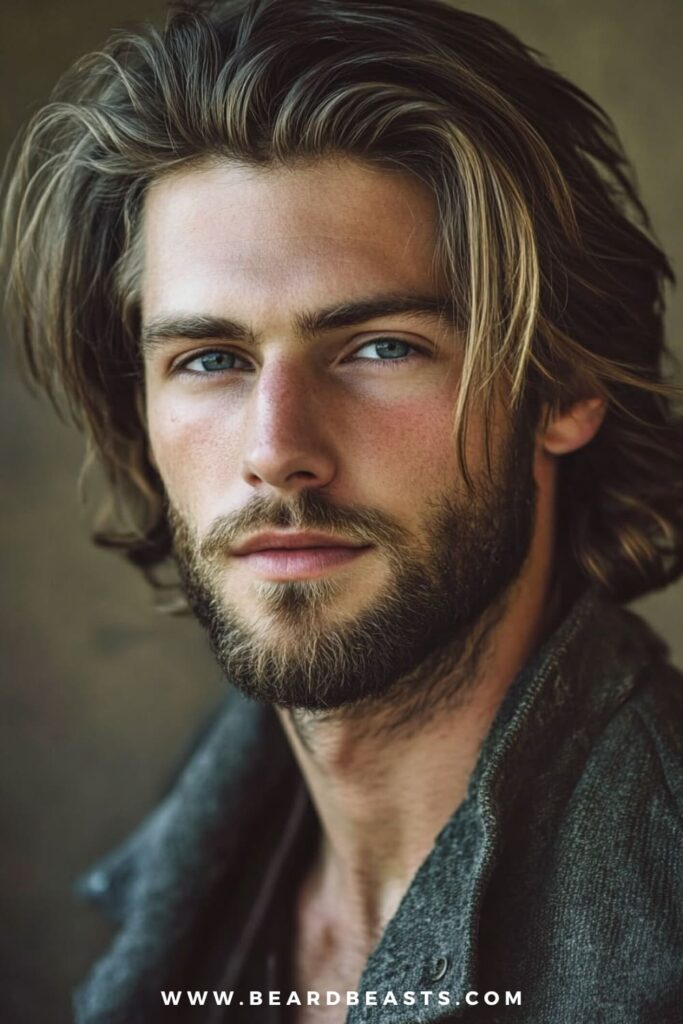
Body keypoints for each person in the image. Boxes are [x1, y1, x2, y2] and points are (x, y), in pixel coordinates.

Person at [2, 0, 683, 1021]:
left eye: (377, 347)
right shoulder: (198, 875)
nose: (277, 449)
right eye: (211, 360)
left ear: (564, 387)